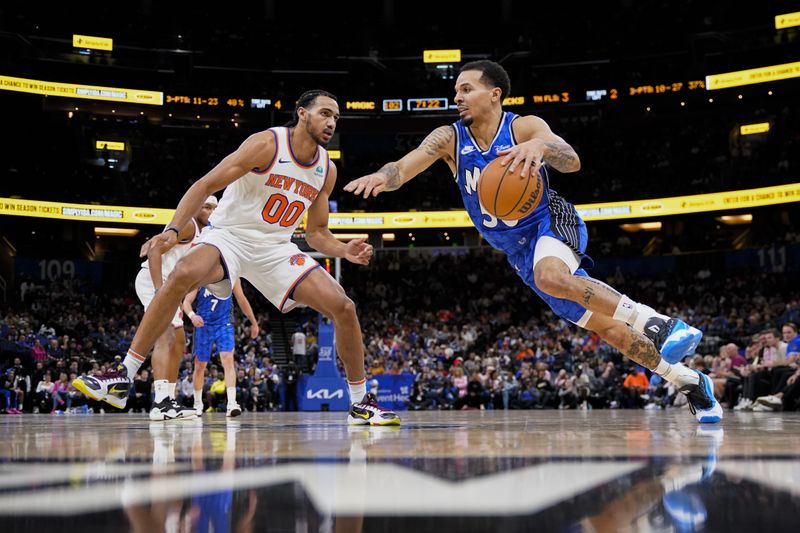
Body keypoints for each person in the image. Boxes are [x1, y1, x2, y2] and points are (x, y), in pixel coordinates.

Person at [344, 60, 721, 423]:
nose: (456, 97)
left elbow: (571, 160)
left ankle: (662, 325)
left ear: (495, 94)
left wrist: (540, 148)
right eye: (455, 90)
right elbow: (405, 166)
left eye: (466, 88)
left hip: (549, 221)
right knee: (609, 330)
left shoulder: (524, 126)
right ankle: (689, 381)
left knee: (552, 276)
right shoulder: (449, 138)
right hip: (519, 252)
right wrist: (382, 177)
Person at [71, 89, 399, 426]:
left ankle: (360, 403)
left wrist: (344, 249)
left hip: (276, 248)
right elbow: (204, 184)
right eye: (325, 114)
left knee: (344, 307)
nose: (331, 122)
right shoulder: (267, 144)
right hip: (230, 236)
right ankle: (122, 375)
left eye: (336, 118)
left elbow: (316, 233)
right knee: (182, 272)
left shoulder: (326, 169)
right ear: (302, 113)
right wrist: (172, 230)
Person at [73, 196, 218, 420]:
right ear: (196, 206)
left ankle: (169, 401)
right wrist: (162, 290)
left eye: (214, 208)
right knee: (165, 336)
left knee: (179, 342)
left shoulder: (207, 232)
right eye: (206, 206)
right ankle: (160, 402)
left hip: (170, 288)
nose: (211, 211)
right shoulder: (188, 224)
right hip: (154, 282)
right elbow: (154, 251)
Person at [182, 280, 259, 417]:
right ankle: (198, 404)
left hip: (224, 324)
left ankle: (232, 403)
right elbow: (186, 302)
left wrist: (253, 322)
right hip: (203, 325)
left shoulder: (232, 276)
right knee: (200, 365)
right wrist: (192, 316)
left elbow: (242, 299)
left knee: (228, 359)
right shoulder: (200, 277)